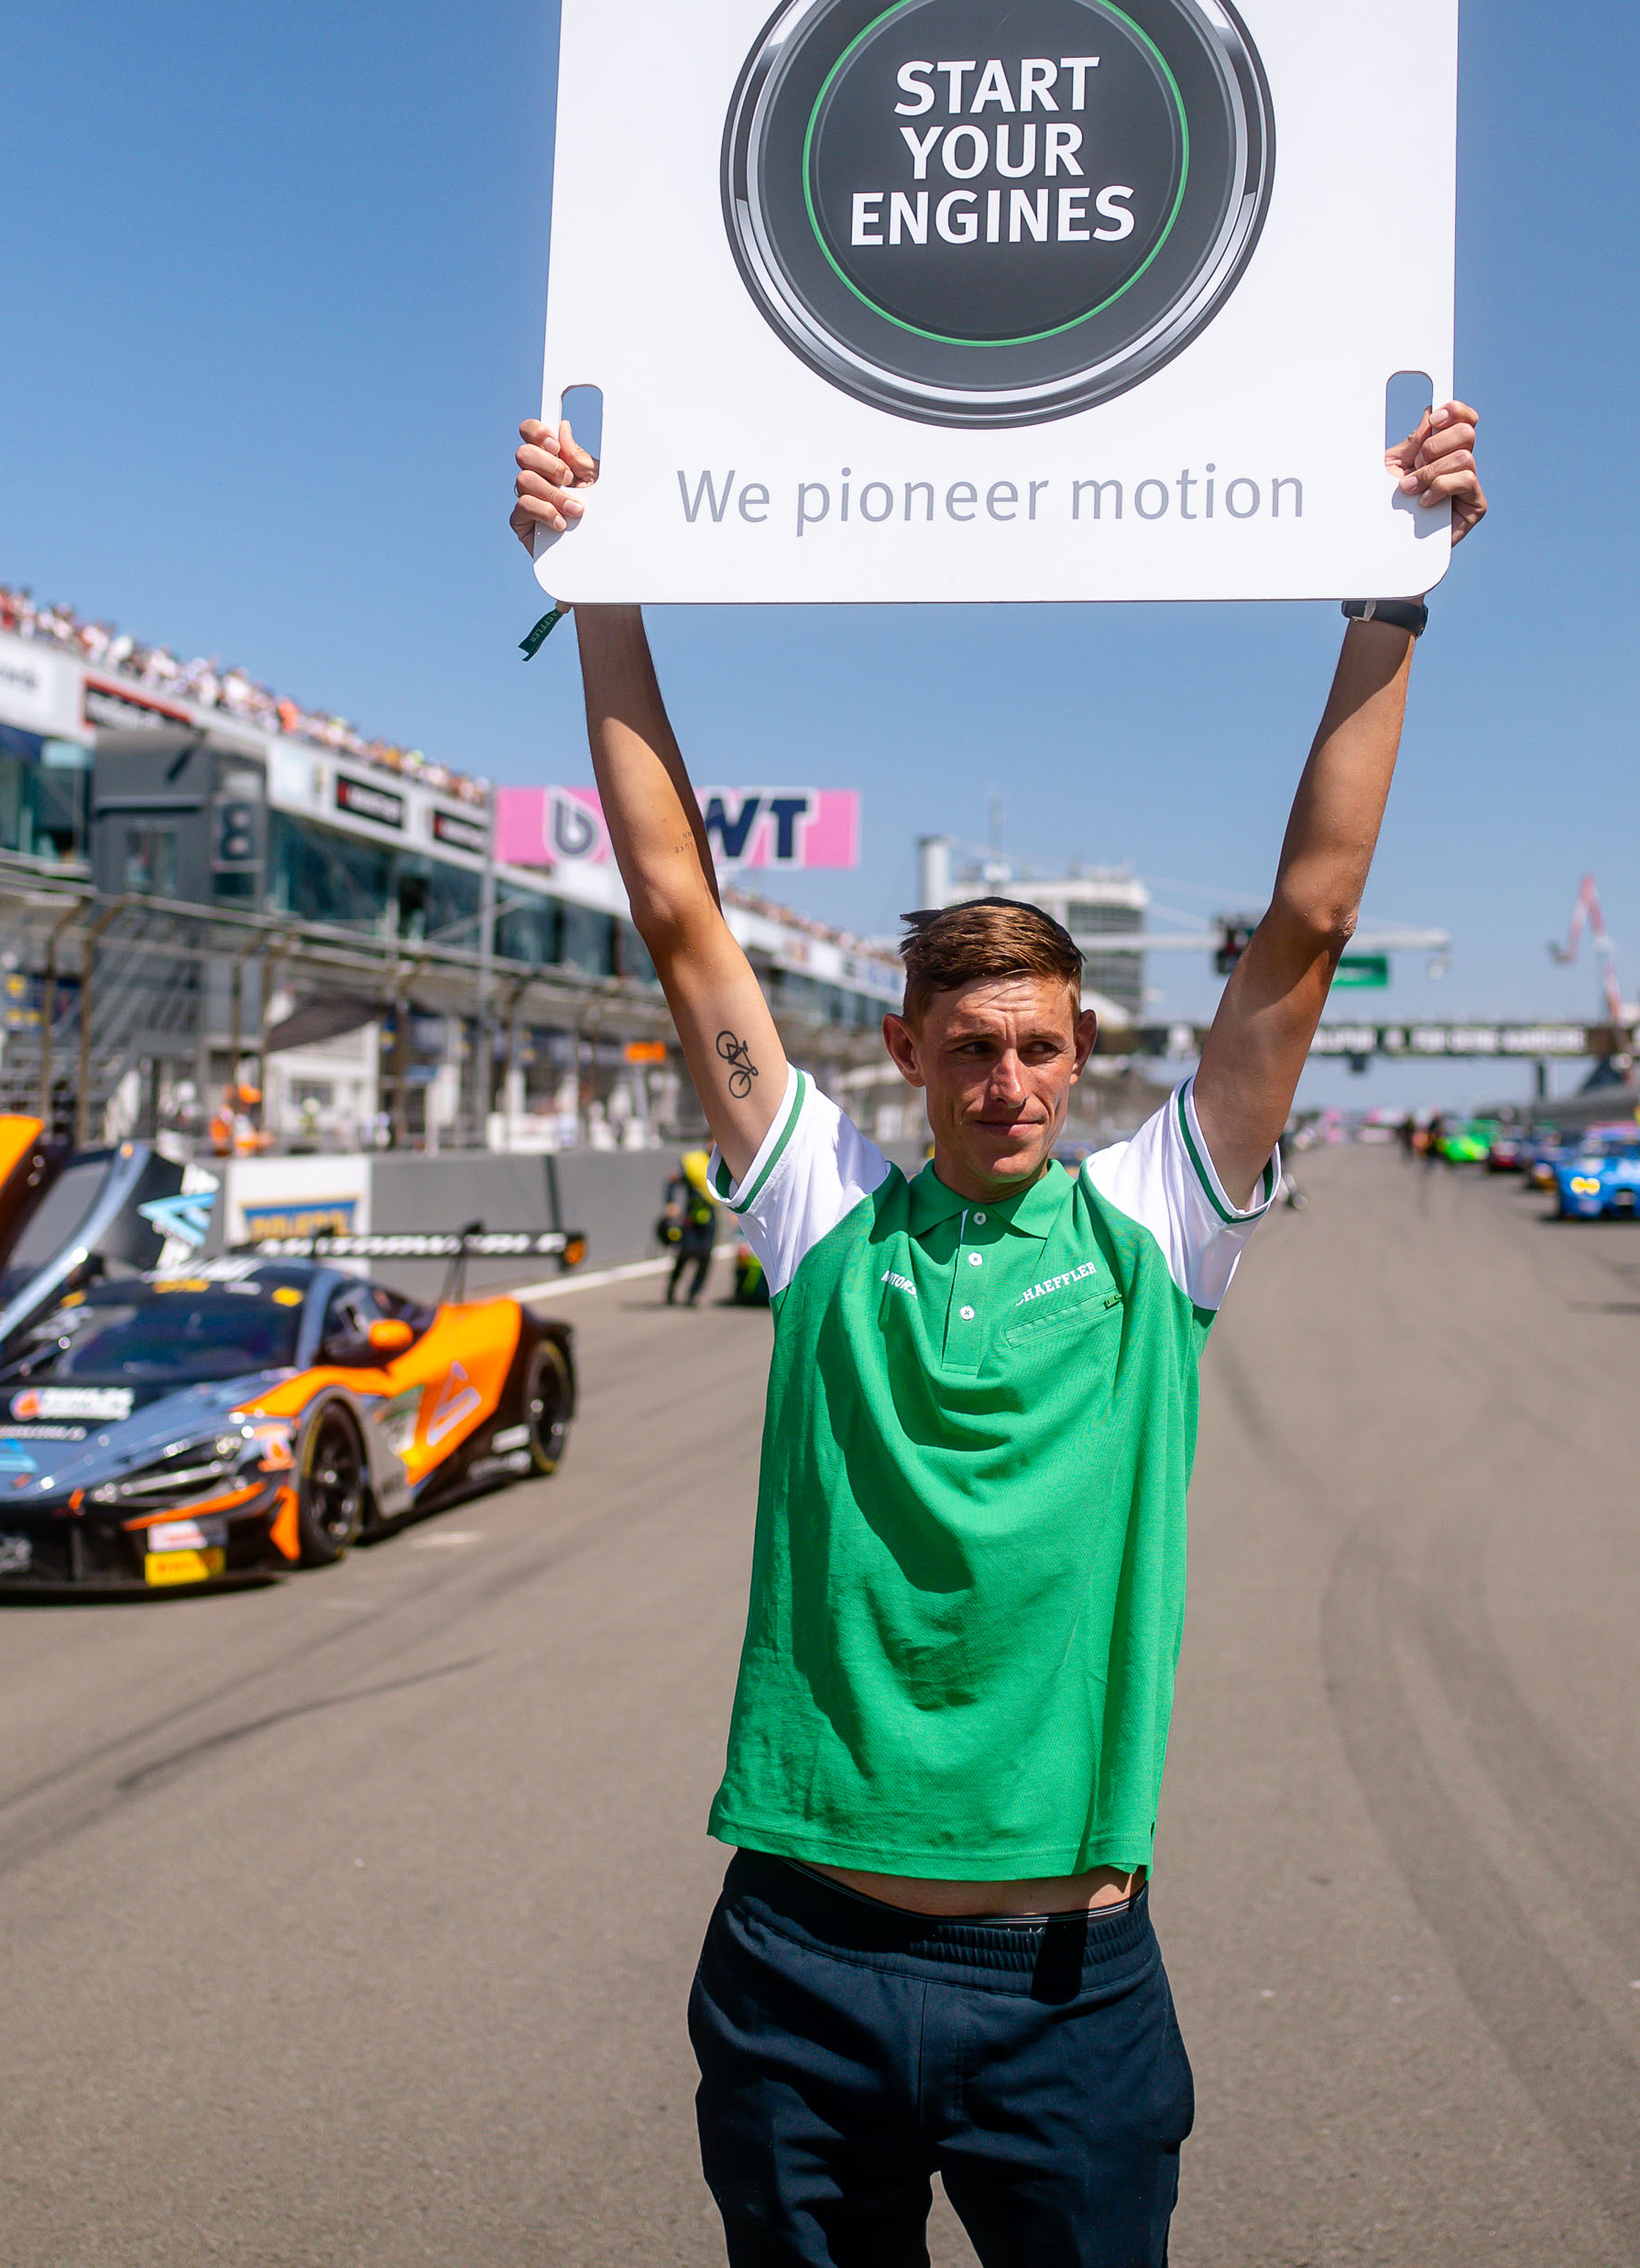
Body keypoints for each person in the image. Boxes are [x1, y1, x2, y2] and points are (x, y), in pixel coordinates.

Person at [512, 396, 1486, 2266]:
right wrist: (600, 582)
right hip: (795, 1959)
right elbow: (677, 909)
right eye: (971, 1046)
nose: (1009, 1080)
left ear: (1082, 1049)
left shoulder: (1156, 1222)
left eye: (1040, 1046)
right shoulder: (820, 1214)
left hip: (1063, 1985)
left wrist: (1395, 594)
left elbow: (1308, 918)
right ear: (907, 1050)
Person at [659, 1145, 720, 1305]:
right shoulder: (693, 1162)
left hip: (710, 1217)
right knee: (686, 1253)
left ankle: (693, 1294)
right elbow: (672, 1181)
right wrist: (671, 1202)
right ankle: (672, 1287)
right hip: (691, 1216)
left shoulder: (723, 1162)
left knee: (705, 1255)